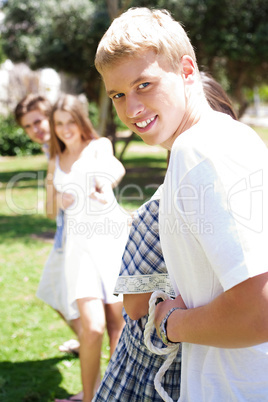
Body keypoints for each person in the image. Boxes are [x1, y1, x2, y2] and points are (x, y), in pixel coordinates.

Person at [95, 7, 268, 401]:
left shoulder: (200, 149)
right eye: (118, 94)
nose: (131, 109)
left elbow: (260, 312)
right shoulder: (219, 140)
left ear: (187, 71)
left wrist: (170, 322)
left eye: (144, 85)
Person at [92, 73, 239, 402]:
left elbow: (132, 306)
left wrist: (174, 311)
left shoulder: (158, 208)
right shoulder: (245, 187)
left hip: (157, 368)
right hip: (210, 358)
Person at [38, 93, 129, 402]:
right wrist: (58, 197)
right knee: (92, 327)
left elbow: (115, 169)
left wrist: (104, 184)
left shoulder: (98, 146)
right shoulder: (55, 159)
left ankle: (116, 395)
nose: (65, 129)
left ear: (81, 121)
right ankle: (89, 398)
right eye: (58, 124)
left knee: (118, 325)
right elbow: (50, 211)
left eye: (70, 122)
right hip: (79, 249)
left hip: (109, 240)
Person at [15, 94, 81, 355]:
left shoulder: (66, 143)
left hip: (78, 235)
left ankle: (92, 344)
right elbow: (50, 207)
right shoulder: (51, 148)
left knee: (62, 293)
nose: (35, 129)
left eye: (39, 120)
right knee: (53, 291)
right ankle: (87, 341)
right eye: (28, 126)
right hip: (64, 232)